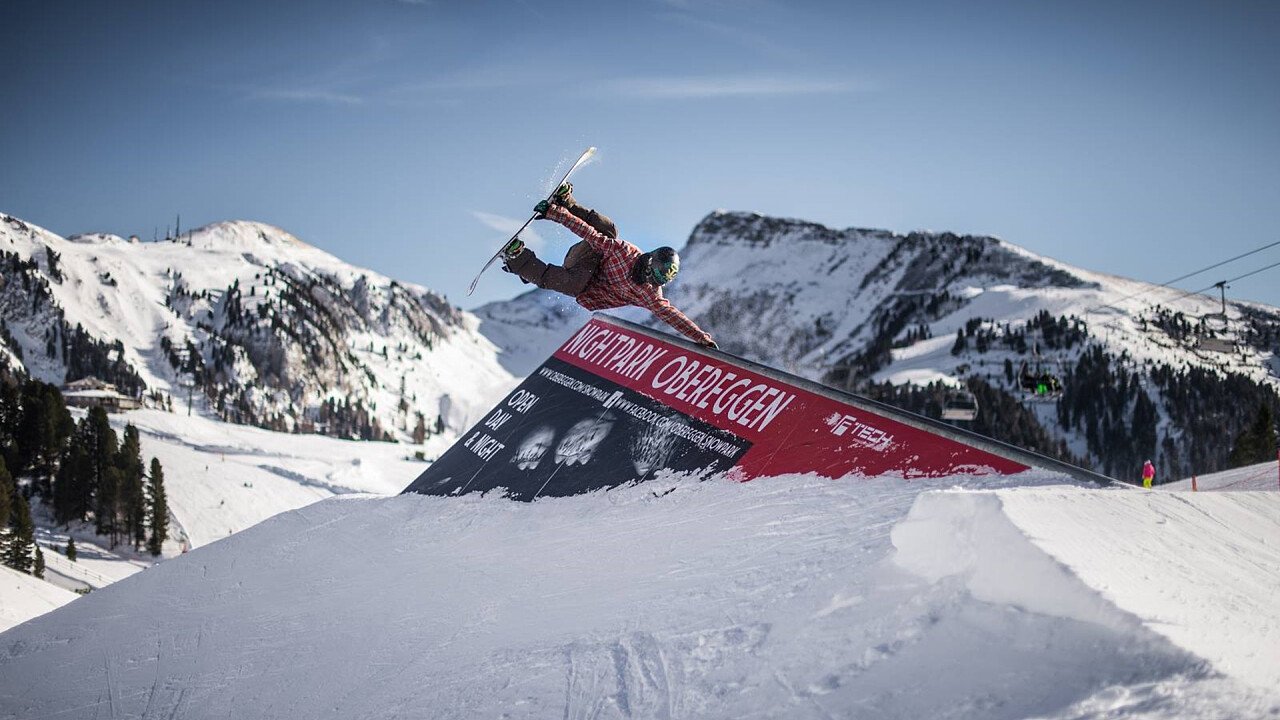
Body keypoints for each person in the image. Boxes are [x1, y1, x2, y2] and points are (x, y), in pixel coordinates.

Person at [502, 183, 716, 347]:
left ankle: (517, 259)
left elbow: (672, 315)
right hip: (584, 259)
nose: (647, 282)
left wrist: (702, 338)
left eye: (654, 282)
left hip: (585, 289)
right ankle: (566, 202)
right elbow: (590, 234)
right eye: (650, 275)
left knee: (573, 284)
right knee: (610, 230)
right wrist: (556, 213)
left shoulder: (649, 294)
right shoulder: (624, 253)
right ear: (649, 262)